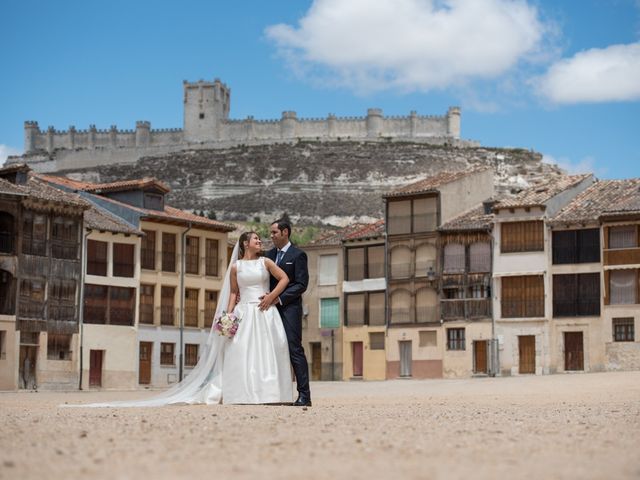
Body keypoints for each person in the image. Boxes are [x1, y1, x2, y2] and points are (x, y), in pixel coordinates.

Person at [64, 231, 294, 407]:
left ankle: (271, 394)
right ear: (245, 243)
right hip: (243, 313)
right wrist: (227, 316)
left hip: (264, 311)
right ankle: (244, 394)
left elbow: (284, 278)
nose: (260, 242)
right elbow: (234, 293)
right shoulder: (236, 267)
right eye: (255, 239)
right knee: (241, 353)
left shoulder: (266, 263)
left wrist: (272, 297)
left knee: (268, 352)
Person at [265, 219, 312, 407]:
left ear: (285, 232)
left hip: (289, 309)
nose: (271, 236)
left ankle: (304, 395)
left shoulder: (298, 255)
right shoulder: (268, 255)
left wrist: (279, 298)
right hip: (268, 309)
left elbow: (301, 284)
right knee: (270, 350)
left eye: (274, 232)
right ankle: (272, 394)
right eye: (270, 233)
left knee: (294, 349)